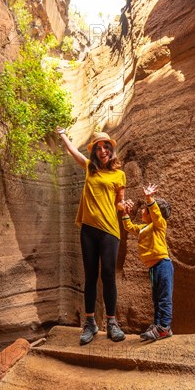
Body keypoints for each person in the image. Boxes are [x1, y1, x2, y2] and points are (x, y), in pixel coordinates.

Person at [56, 127, 126, 345]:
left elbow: (119, 203)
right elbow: (74, 152)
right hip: (89, 229)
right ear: (94, 152)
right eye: (99, 148)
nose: (103, 150)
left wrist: (126, 207)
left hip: (110, 230)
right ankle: (90, 324)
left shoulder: (119, 174)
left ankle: (112, 323)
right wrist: (63, 134)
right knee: (90, 276)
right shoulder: (90, 168)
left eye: (106, 147)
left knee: (107, 274)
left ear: (111, 151)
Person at [122, 184, 173, 340]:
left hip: (163, 264)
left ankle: (164, 327)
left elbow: (157, 215)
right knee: (157, 298)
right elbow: (129, 227)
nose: (143, 211)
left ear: (152, 212)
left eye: (146, 209)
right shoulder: (145, 228)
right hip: (153, 268)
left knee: (164, 298)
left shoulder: (159, 225)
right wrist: (125, 214)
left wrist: (149, 198)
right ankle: (158, 325)